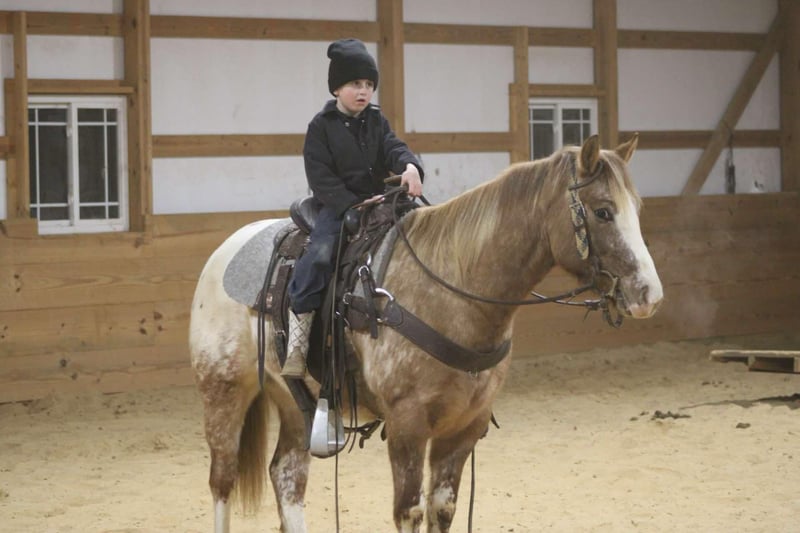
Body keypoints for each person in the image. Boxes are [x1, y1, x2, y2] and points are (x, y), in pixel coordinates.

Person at [281, 38, 424, 378]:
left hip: (380, 201)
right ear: (336, 88)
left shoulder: (376, 120)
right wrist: (350, 205)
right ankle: (297, 344)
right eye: (355, 84)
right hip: (337, 205)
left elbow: (394, 148)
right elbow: (320, 177)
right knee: (318, 256)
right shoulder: (320, 127)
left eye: (369, 85)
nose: (363, 91)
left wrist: (410, 166)